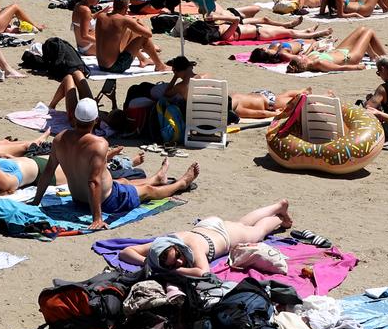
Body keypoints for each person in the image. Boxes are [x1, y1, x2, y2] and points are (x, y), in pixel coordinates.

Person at [30, 99, 198, 229]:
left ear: (74, 117)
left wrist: (36, 202)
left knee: (123, 182)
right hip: (107, 201)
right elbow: (93, 181)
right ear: (96, 120)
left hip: (78, 199)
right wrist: (98, 218)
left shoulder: (60, 139)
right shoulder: (98, 144)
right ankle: (181, 183)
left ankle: (157, 177)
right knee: (147, 191)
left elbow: (48, 171)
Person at [120, 201, 292, 275]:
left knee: (257, 232)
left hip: (224, 236)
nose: (180, 262)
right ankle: (278, 207)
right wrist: (145, 261)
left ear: (179, 249)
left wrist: (173, 270)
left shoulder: (193, 248)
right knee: (242, 224)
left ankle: (278, 215)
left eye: (178, 257)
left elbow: (203, 271)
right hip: (209, 227)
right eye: (174, 263)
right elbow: (126, 252)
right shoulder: (163, 245)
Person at [246, 26, 388, 73]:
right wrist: (357, 67)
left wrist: (315, 47)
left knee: (361, 29)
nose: (300, 56)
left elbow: (307, 53)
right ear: (302, 64)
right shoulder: (317, 64)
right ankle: (387, 59)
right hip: (350, 56)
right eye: (299, 59)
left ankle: (374, 56)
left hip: (339, 50)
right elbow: (337, 68)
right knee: (368, 32)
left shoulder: (308, 59)